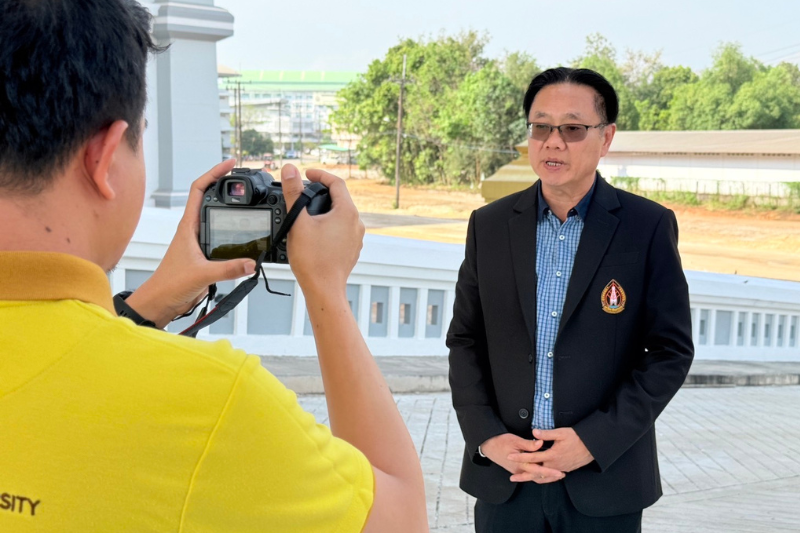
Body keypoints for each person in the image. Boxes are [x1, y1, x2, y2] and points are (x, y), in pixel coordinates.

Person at [0, 1, 427, 531]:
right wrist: (326, 290)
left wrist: (144, 308)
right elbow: (402, 516)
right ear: (104, 158)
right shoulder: (209, 404)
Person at [447, 67, 694, 532]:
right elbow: (465, 340)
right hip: (507, 478)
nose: (553, 143)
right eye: (541, 127)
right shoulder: (489, 225)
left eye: (573, 129)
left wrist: (594, 440)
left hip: (604, 480)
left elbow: (670, 352)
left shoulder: (646, 227)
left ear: (606, 137)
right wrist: (487, 437)